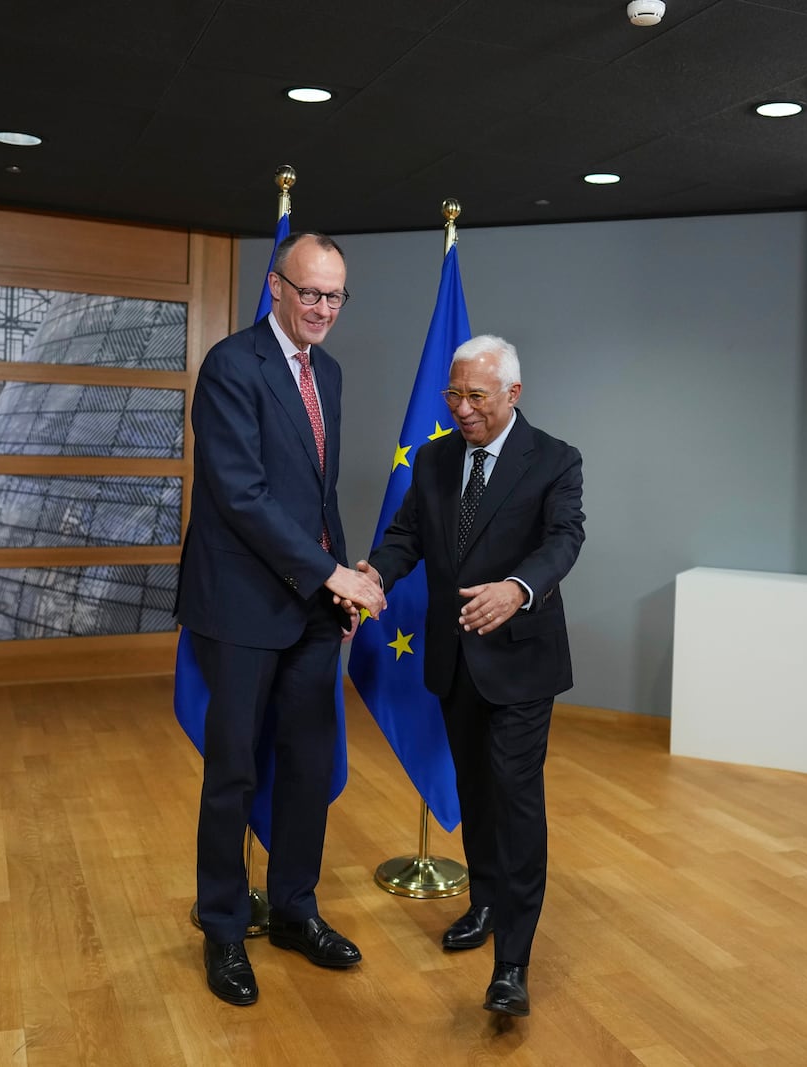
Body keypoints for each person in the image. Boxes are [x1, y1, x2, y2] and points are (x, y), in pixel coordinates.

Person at [175, 232, 387, 1006]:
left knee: (306, 764)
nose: (323, 308)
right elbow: (242, 495)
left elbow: (315, 493)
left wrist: (344, 571)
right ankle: (226, 926)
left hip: (310, 607)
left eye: (335, 295)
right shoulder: (232, 366)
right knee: (233, 771)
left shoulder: (325, 371)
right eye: (310, 292)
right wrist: (328, 570)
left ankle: (296, 910)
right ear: (276, 286)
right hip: (239, 606)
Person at [360, 335, 584, 1017]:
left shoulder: (554, 459)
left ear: (513, 394)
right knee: (478, 794)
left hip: (521, 661)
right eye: (453, 394)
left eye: (476, 396)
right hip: (455, 658)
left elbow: (564, 538)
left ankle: (512, 962)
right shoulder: (432, 458)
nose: (462, 408)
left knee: (516, 801)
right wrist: (373, 574)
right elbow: (407, 537)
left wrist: (519, 588)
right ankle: (485, 902)